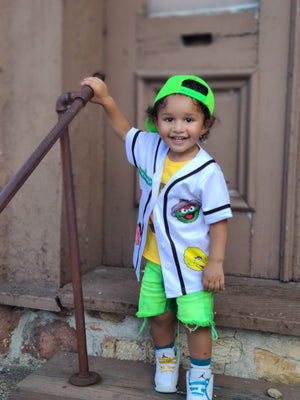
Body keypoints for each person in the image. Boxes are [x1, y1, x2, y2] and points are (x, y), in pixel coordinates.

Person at [81, 74, 232, 400]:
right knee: (159, 314)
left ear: (205, 126)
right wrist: (106, 100)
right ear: (156, 122)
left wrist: (216, 262)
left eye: (189, 120)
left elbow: (219, 220)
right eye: (169, 119)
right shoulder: (151, 148)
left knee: (195, 321)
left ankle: (200, 376)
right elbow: (125, 130)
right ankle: (166, 361)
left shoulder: (207, 172)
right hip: (153, 259)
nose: (178, 128)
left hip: (193, 264)